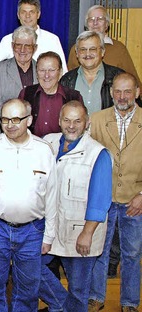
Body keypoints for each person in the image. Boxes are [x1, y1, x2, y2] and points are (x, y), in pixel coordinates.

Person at [0, 98, 57, 311]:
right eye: (5, 119)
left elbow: (52, 196)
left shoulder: (43, 150)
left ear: (29, 120)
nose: (10, 125)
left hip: (33, 231)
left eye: (16, 119)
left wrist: (49, 235)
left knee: (28, 289)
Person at [37, 100, 112, 311]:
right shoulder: (47, 144)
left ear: (87, 122)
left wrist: (87, 233)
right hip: (51, 229)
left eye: (77, 121)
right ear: (59, 121)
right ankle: (64, 307)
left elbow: (100, 199)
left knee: (79, 289)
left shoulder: (98, 153)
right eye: (67, 120)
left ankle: (69, 307)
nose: (71, 125)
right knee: (29, 268)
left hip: (81, 233)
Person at [88, 72, 142, 312]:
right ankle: (96, 297)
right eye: (117, 91)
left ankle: (130, 302)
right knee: (99, 250)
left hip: (135, 199)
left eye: (127, 91)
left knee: (132, 254)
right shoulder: (96, 120)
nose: (122, 96)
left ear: (137, 93)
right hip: (104, 199)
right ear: (111, 93)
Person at [0, 0, 67, 95]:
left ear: (38, 14)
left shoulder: (52, 39)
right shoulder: (9, 40)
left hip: (46, 94)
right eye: (23, 12)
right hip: (15, 96)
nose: (27, 16)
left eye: (31, 12)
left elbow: (63, 71)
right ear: (18, 15)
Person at [67, 5, 141, 87]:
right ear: (86, 25)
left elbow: (133, 81)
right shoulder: (76, 49)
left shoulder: (119, 48)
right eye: (91, 19)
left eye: (100, 19)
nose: (95, 23)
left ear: (107, 24)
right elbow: (68, 80)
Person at [0, 25, 39, 135]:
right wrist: (13, 127)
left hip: (36, 134)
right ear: (12, 46)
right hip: (5, 133)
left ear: (35, 48)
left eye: (27, 46)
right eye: (18, 45)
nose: (22, 50)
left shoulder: (42, 70)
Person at [19, 52, 83, 137]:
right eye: (42, 70)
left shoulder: (73, 97)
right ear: (36, 73)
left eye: (52, 70)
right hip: (32, 147)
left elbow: (79, 128)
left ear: (60, 72)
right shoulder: (26, 94)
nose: (46, 75)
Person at [60, 31, 124, 115]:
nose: (88, 54)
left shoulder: (118, 78)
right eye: (83, 50)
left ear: (102, 51)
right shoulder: (66, 80)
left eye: (92, 49)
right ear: (77, 53)